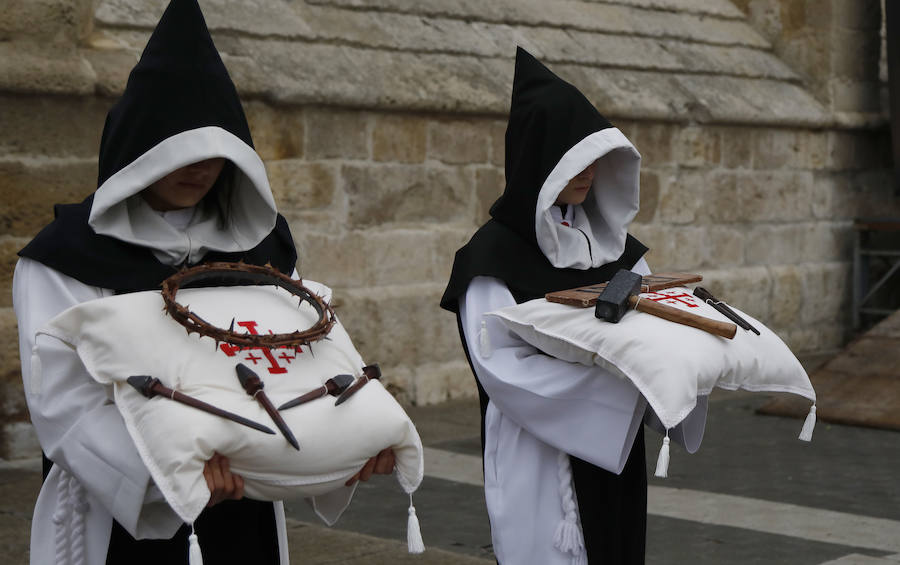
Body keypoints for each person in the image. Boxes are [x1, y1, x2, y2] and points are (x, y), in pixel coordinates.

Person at [13, 2, 392, 564]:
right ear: (138, 151)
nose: (201, 168)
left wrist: (343, 445)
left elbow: (297, 361)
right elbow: (63, 400)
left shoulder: (262, 251)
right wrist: (170, 471)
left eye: (216, 153)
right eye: (181, 153)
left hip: (249, 495)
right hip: (126, 509)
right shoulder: (66, 257)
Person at [440, 48, 708, 564]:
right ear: (539, 158)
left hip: (616, 453)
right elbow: (499, 368)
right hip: (539, 449)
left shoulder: (616, 250)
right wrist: (618, 392)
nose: (588, 172)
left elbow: (651, 328)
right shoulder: (492, 257)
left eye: (594, 158)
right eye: (572, 158)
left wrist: (682, 366)